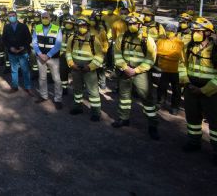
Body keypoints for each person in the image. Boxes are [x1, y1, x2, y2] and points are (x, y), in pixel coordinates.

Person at [113, 12, 159, 140]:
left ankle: (152, 126)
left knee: (147, 98)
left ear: (140, 24)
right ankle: (123, 118)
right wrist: (124, 67)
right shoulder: (121, 37)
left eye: (134, 23)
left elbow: (151, 59)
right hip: (125, 71)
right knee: (124, 97)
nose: (131, 26)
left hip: (141, 73)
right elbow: (117, 55)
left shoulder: (147, 39)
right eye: (129, 24)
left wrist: (136, 70)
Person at [179, 17, 217, 164]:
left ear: (208, 33)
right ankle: (194, 142)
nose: (195, 33)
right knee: (193, 118)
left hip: (211, 92)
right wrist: (187, 84)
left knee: (214, 122)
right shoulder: (189, 47)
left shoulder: (215, 50)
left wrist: (204, 90)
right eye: (194, 31)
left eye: (199, 31)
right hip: (191, 87)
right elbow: (182, 65)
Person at [67, 17, 104, 121]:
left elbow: (99, 56)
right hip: (75, 68)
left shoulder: (93, 39)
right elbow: (68, 52)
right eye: (79, 26)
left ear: (87, 27)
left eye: (83, 26)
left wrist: (90, 67)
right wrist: (71, 64)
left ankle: (96, 112)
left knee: (93, 91)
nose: (81, 28)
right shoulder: (72, 38)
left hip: (89, 70)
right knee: (77, 89)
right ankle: (77, 107)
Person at [32, 11, 63, 108]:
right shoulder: (37, 28)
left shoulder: (57, 29)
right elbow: (34, 42)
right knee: (42, 78)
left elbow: (58, 45)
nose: (45, 19)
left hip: (53, 58)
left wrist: (48, 55)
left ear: (50, 18)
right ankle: (43, 96)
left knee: (57, 79)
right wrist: (40, 54)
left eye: (46, 17)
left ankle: (58, 99)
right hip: (40, 57)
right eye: (43, 17)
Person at [0, 10, 32, 95]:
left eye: (13, 15)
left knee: (25, 70)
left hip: (23, 52)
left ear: (16, 16)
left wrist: (23, 47)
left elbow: (29, 39)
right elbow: (4, 39)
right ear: (8, 17)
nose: (12, 17)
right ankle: (15, 87)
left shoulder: (23, 26)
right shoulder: (6, 27)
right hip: (12, 52)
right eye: (10, 16)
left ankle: (27, 87)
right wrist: (10, 48)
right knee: (14, 70)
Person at [156, 23, 184, 115]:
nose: (169, 32)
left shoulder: (179, 42)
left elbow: (176, 55)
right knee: (161, 88)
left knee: (176, 90)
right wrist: (168, 54)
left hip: (175, 70)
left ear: (175, 32)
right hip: (163, 69)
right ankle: (160, 103)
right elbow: (158, 52)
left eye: (171, 31)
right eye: (167, 30)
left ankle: (174, 107)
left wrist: (164, 55)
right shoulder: (161, 41)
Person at [58, 15, 76, 95]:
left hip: (73, 57)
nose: (69, 24)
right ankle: (64, 88)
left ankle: (76, 90)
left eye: (70, 23)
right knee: (63, 72)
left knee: (74, 73)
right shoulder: (60, 31)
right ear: (64, 23)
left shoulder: (76, 33)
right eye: (67, 23)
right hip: (62, 55)